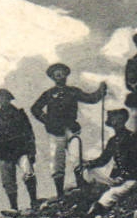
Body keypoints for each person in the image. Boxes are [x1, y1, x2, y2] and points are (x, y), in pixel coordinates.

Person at [30, 62, 107, 196]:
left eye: (61, 72)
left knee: (76, 156)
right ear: (52, 77)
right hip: (55, 131)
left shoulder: (73, 91)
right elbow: (35, 109)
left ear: (66, 75)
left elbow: (91, 98)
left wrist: (101, 90)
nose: (59, 75)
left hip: (71, 129)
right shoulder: (48, 93)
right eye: (56, 73)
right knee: (57, 160)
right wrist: (47, 120)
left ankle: (81, 184)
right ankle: (60, 192)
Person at [0, 89, 39, 214]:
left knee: (29, 173)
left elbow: (29, 132)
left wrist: (32, 150)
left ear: (9, 99)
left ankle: (34, 201)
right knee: (8, 180)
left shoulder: (19, 113)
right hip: (5, 151)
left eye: (4, 98)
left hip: (21, 148)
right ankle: (14, 207)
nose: (2, 100)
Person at [77, 108, 137, 218]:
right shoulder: (113, 140)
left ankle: (92, 215)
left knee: (111, 194)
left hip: (132, 178)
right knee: (90, 171)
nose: (115, 124)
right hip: (119, 178)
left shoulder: (132, 138)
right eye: (113, 121)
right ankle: (91, 196)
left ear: (123, 121)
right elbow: (103, 159)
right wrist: (88, 164)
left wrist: (123, 176)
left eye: (117, 121)